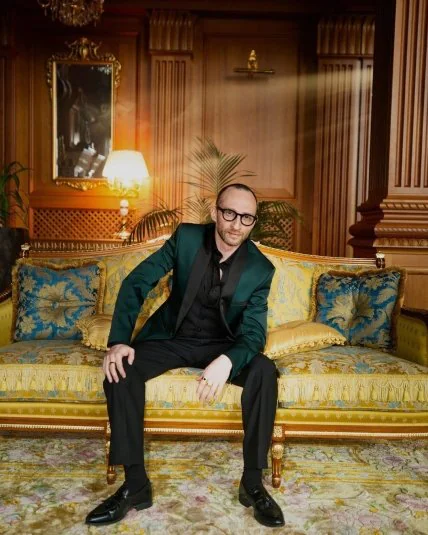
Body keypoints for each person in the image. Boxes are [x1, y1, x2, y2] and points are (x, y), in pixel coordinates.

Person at [85, 183, 285, 528]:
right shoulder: (187, 238)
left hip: (222, 344)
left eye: (246, 218)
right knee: (120, 369)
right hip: (172, 338)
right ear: (215, 212)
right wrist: (118, 341)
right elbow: (137, 281)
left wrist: (227, 361)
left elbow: (253, 334)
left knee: (264, 371)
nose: (236, 224)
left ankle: (252, 483)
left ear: (253, 222)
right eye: (230, 213)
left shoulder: (260, 268)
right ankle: (135, 485)